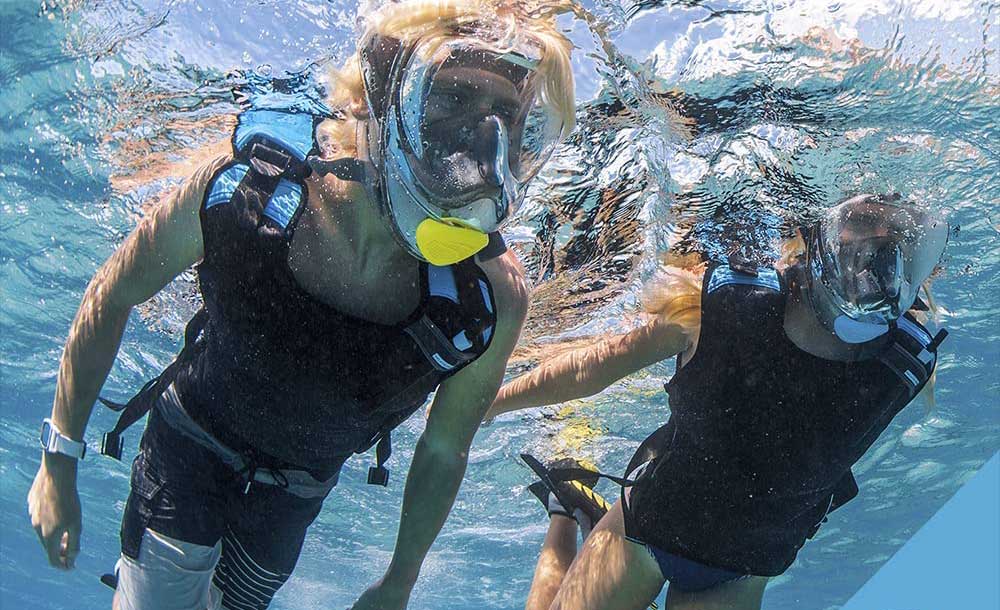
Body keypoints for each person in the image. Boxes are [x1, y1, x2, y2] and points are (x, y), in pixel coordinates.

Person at [26, 1, 575, 609]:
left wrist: (400, 581)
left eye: (508, 119)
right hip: (188, 450)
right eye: (451, 100)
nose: (480, 155)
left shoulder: (489, 299)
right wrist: (59, 459)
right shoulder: (248, 192)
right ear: (379, 90)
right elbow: (115, 290)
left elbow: (445, 447)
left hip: (293, 498)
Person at [486, 195, 950, 610]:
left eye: (897, 245)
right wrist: (494, 401)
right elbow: (595, 366)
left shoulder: (904, 364)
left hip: (743, 568)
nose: (874, 258)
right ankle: (565, 511)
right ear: (819, 232)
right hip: (646, 531)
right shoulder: (724, 304)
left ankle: (570, 510)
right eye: (864, 224)